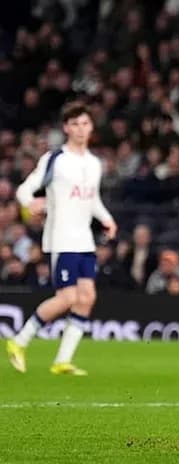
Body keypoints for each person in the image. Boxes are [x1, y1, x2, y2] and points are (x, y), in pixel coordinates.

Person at [6, 102, 117, 376]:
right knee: (67, 298)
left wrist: (107, 218)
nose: (81, 129)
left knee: (87, 298)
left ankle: (62, 360)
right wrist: (28, 203)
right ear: (66, 127)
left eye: (85, 123)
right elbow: (25, 189)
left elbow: (93, 200)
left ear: (91, 127)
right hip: (62, 238)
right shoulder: (55, 159)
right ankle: (18, 341)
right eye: (75, 124)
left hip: (85, 241)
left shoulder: (94, 163)